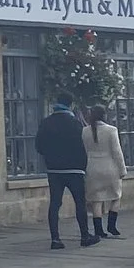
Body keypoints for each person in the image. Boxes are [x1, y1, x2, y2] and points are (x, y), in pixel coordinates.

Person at [35, 93, 97, 249]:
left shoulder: (46, 123)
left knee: (55, 203)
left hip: (55, 169)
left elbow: (38, 145)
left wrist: (50, 156)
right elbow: (83, 146)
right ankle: (84, 236)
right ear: (70, 104)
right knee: (80, 203)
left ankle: (55, 239)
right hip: (75, 169)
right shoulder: (75, 123)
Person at [84, 103, 127, 238]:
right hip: (110, 167)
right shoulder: (111, 130)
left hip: (92, 167)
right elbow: (117, 152)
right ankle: (112, 225)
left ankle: (98, 230)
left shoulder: (84, 131)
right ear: (104, 115)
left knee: (96, 200)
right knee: (116, 196)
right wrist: (122, 170)